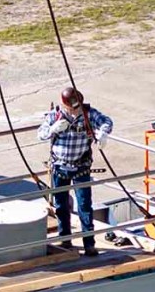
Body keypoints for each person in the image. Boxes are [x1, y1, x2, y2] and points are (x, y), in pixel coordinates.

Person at [37, 86, 112, 257]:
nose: (75, 110)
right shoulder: (54, 116)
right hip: (59, 168)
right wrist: (53, 129)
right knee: (60, 206)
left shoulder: (89, 114)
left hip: (80, 167)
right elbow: (40, 134)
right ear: (65, 105)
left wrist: (103, 133)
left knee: (85, 206)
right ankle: (65, 239)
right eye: (72, 107)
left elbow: (106, 121)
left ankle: (89, 244)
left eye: (77, 106)